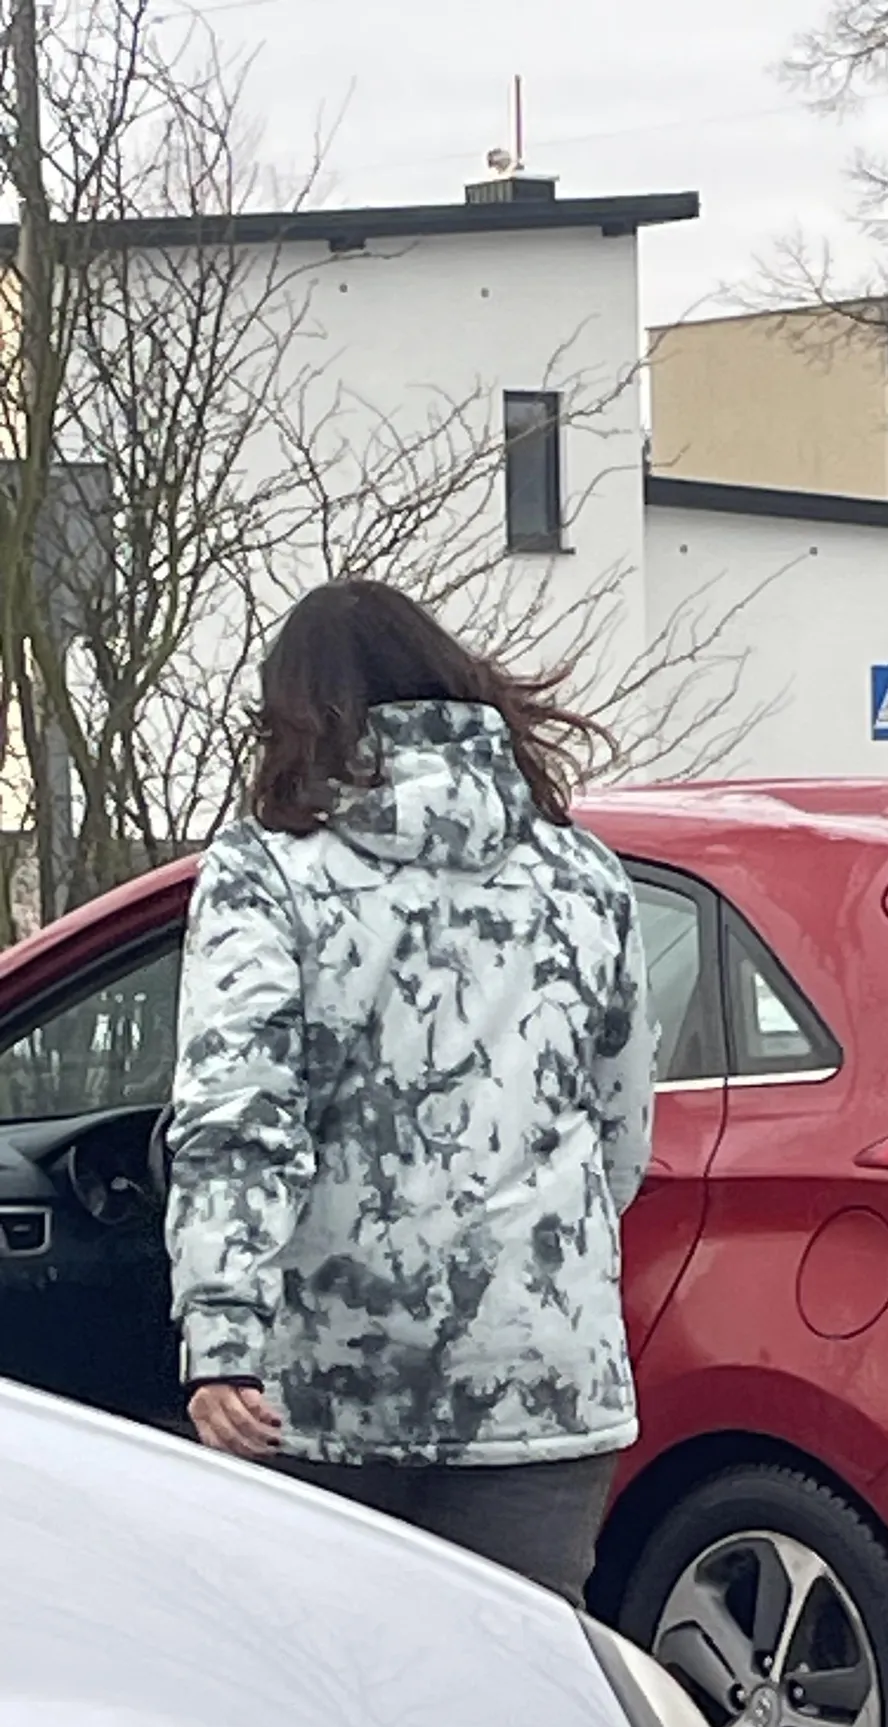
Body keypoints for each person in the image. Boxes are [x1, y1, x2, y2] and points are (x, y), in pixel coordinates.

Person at [165, 579, 656, 1607]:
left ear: (296, 712)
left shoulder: (268, 871)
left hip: (332, 1387)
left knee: (332, 1724)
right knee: (517, 1712)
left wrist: (221, 1337)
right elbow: (619, 1133)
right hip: (543, 1375)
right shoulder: (583, 873)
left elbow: (240, 1119)